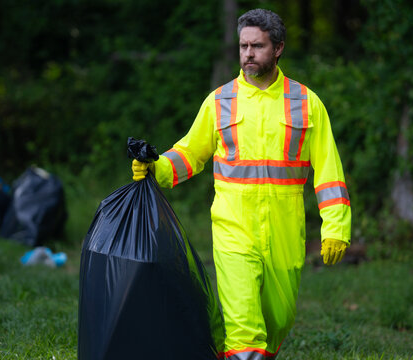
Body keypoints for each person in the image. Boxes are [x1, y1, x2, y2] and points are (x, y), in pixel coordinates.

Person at [132, 8, 351, 360]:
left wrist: (336, 228)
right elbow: (191, 153)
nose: (248, 54)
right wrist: (155, 169)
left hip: (285, 233)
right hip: (233, 228)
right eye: (243, 46)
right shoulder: (220, 101)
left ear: (278, 48)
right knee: (245, 327)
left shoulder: (306, 104)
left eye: (257, 46)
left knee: (278, 319)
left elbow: (329, 171)